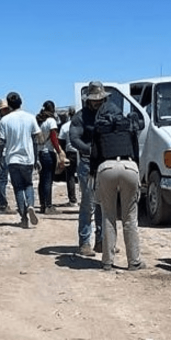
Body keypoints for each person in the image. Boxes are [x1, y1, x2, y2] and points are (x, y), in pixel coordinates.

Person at [91, 99, 144, 271]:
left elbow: (95, 154)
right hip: (129, 167)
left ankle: (107, 261)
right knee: (130, 218)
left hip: (106, 168)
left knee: (108, 216)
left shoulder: (99, 127)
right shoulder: (128, 124)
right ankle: (134, 261)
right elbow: (135, 151)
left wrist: (93, 176)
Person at [69, 82, 108, 256]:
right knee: (88, 204)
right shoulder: (80, 117)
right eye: (95, 99)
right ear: (88, 100)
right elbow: (74, 138)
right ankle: (85, 242)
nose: (98, 102)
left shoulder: (109, 113)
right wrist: (89, 149)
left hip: (106, 164)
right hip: (87, 164)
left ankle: (102, 241)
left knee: (104, 205)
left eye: (100, 99)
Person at [0, 92, 42, 228]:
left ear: (9, 105)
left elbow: (0, 142)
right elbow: (36, 139)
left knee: (18, 188)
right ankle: (30, 205)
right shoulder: (30, 118)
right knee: (28, 184)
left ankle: (23, 218)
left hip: (12, 159)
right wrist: (36, 158)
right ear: (21, 102)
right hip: (27, 158)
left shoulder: (5, 120)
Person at [35, 100, 66, 215]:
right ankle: (49, 206)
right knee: (48, 181)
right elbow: (53, 138)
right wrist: (59, 151)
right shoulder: (51, 121)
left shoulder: (38, 121)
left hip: (39, 154)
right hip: (48, 153)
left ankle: (43, 205)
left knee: (42, 180)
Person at [57, 108, 78, 206]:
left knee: (70, 177)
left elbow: (61, 141)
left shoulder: (65, 126)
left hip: (70, 153)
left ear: (69, 115)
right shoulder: (82, 124)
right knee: (85, 176)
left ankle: (72, 200)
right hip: (82, 152)